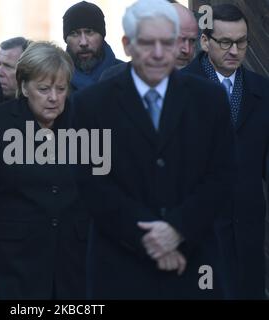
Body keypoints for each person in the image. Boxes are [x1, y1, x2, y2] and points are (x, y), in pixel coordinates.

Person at [72, 0, 236, 299]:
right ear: (127, 44)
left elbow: (221, 175)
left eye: (167, 42)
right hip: (119, 266)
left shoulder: (209, 101)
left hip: (194, 264)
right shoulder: (91, 104)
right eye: (148, 43)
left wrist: (177, 228)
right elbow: (91, 182)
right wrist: (148, 237)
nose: (159, 53)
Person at [0, 41, 89, 299]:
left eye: (61, 88)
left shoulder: (84, 123)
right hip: (12, 265)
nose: (53, 97)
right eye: (43, 89)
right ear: (24, 87)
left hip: (71, 265)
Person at [183, 4, 269, 300]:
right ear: (205, 42)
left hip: (248, 234)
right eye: (225, 42)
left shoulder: (262, 91)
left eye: (242, 42)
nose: (235, 50)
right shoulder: (179, 91)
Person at [100, 2, 198, 81]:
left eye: (192, 41)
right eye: (179, 39)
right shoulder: (112, 78)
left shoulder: (203, 89)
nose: (187, 50)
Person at [63, 1, 123, 91]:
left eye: (89, 32)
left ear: (102, 36)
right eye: (74, 33)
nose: (83, 43)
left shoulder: (125, 75)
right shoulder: (53, 77)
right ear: (66, 39)